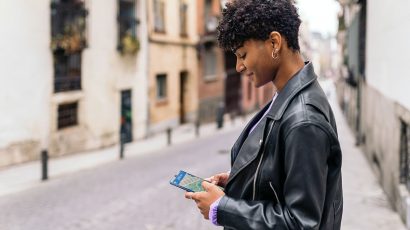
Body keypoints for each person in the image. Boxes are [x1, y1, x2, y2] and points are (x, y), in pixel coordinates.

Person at [185, 0, 343, 229]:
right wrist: (243, 178)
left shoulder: (304, 120)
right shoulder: (289, 94)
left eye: (243, 54)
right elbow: (283, 168)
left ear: (274, 43)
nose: (239, 66)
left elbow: (301, 223)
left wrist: (222, 208)